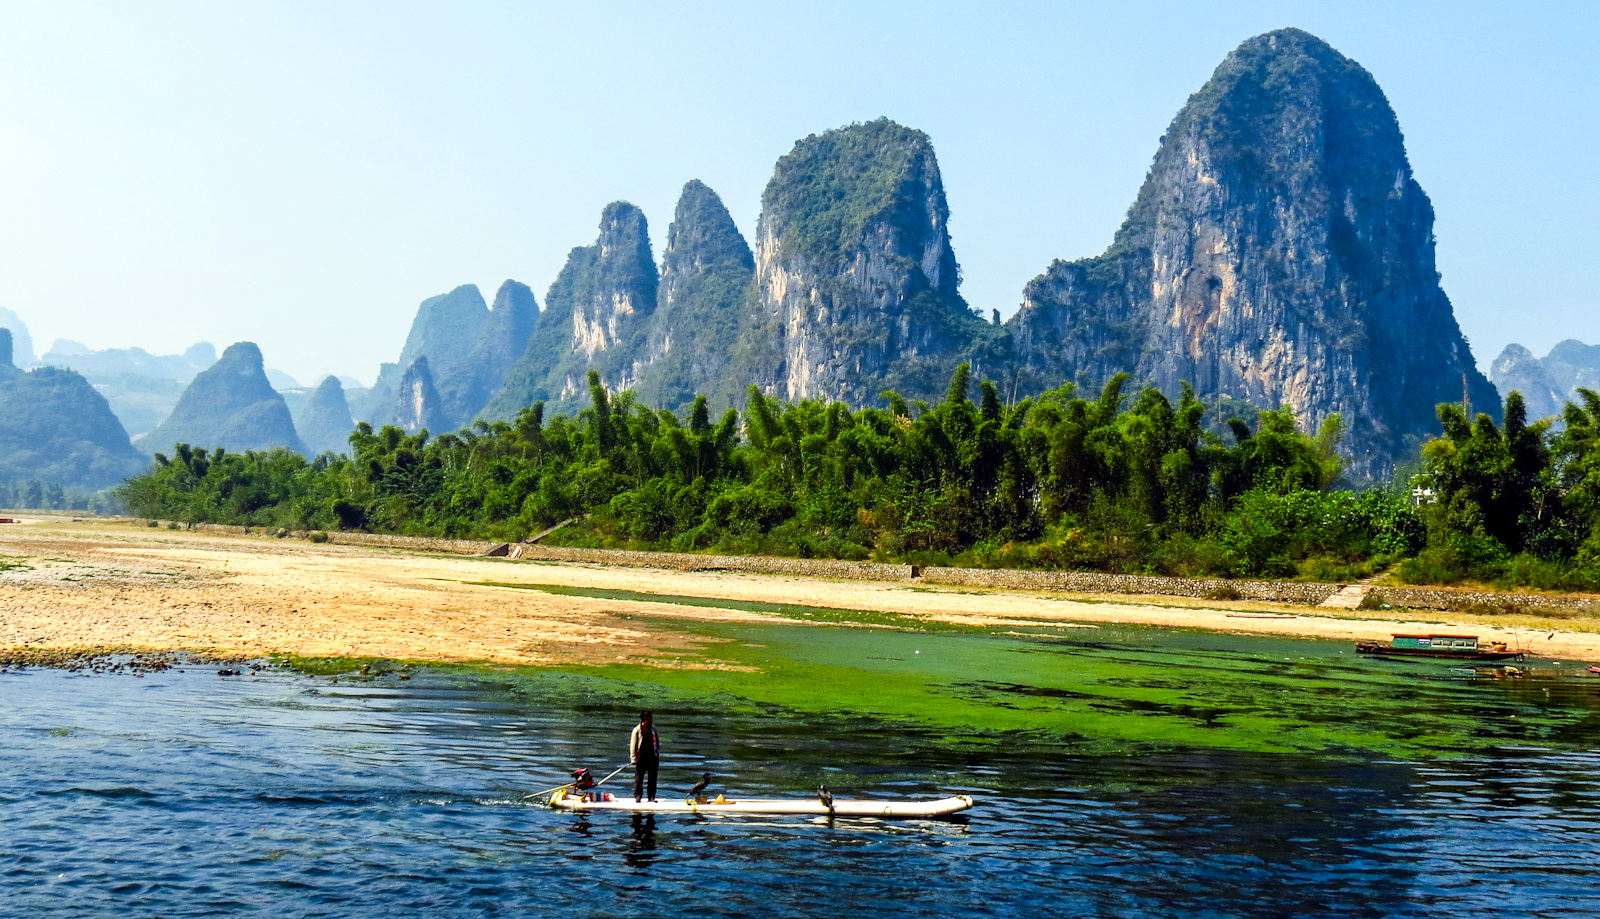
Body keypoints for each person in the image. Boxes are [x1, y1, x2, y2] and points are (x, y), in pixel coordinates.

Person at [629, 710, 660, 802]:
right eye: (650, 718)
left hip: (652, 758)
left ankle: (651, 797)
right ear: (645, 719)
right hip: (641, 758)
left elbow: (657, 743)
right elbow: (633, 745)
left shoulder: (654, 730)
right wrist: (633, 759)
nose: (652, 720)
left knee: (652, 779)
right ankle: (638, 796)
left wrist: (657, 753)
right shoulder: (637, 730)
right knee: (639, 779)